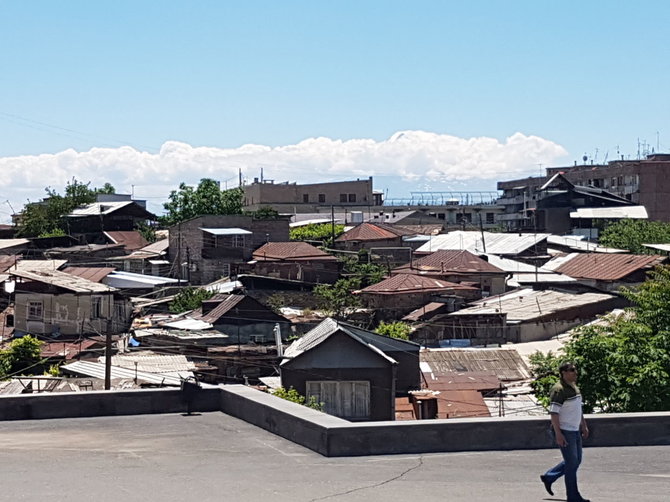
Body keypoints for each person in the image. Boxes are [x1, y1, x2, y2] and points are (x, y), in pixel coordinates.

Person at [540, 362, 590, 502]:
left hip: (575, 430)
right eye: (572, 370)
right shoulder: (559, 390)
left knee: (576, 461)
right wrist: (559, 434)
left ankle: (549, 477)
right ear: (563, 373)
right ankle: (573, 496)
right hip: (565, 431)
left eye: (575, 370)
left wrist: (583, 425)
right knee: (572, 463)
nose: (575, 373)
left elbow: (577, 409)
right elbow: (554, 413)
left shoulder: (574, 387)